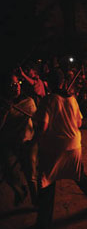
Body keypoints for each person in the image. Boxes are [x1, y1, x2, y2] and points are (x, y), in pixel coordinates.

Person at [32, 69, 87, 229]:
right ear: (63, 82)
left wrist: (32, 142)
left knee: (47, 182)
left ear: (48, 84)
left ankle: (43, 222)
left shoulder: (48, 100)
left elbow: (42, 126)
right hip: (73, 145)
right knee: (79, 176)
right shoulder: (72, 99)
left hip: (53, 148)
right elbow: (79, 123)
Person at [0, 70, 37, 206]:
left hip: (27, 142)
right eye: (12, 85)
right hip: (8, 143)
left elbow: (38, 121)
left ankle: (36, 201)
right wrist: (4, 112)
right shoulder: (3, 105)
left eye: (18, 83)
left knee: (31, 175)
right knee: (9, 172)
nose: (16, 87)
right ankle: (20, 191)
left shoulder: (28, 102)